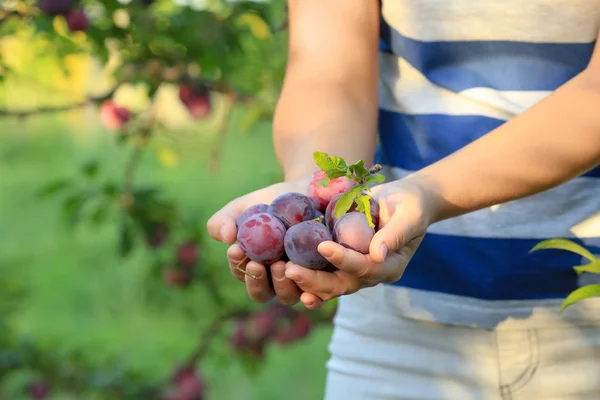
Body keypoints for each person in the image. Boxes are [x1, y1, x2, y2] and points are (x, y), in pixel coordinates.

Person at [207, 1, 600, 398]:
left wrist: (427, 193)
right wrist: (309, 188)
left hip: (586, 324)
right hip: (392, 331)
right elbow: (328, 71)